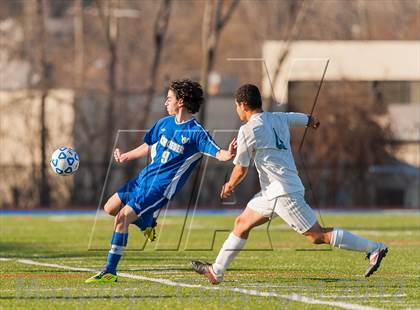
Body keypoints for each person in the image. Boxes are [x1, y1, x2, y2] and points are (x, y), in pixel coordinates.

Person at [191, 84, 388, 284]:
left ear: (243, 105)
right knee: (241, 224)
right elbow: (303, 118)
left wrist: (229, 185)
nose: (236, 109)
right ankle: (216, 271)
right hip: (272, 192)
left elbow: (241, 169)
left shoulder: (248, 130)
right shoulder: (278, 117)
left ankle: (373, 248)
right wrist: (312, 121)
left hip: (282, 193)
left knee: (317, 236)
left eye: (236, 106)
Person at [86, 79, 237, 283]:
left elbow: (218, 153)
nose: (166, 103)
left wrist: (229, 153)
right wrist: (126, 156)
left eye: (169, 99)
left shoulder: (196, 133)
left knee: (121, 218)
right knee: (110, 208)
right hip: (143, 179)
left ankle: (110, 271)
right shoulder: (164, 123)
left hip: (160, 188)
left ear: (181, 101)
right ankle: (146, 222)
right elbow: (148, 145)